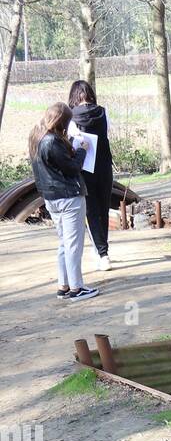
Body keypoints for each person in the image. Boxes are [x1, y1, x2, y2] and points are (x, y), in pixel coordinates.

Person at [28, 103, 99, 303]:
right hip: (68, 197)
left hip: (51, 198)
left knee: (63, 243)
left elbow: (53, 165)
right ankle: (76, 288)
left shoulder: (36, 137)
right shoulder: (52, 141)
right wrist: (82, 150)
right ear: (62, 121)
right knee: (73, 244)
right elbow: (72, 168)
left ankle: (64, 285)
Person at [68, 79, 114, 272]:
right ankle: (103, 251)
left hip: (85, 170)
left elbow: (70, 144)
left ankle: (102, 253)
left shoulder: (71, 118)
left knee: (91, 211)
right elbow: (108, 132)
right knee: (104, 209)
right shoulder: (103, 112)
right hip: (104, 167)